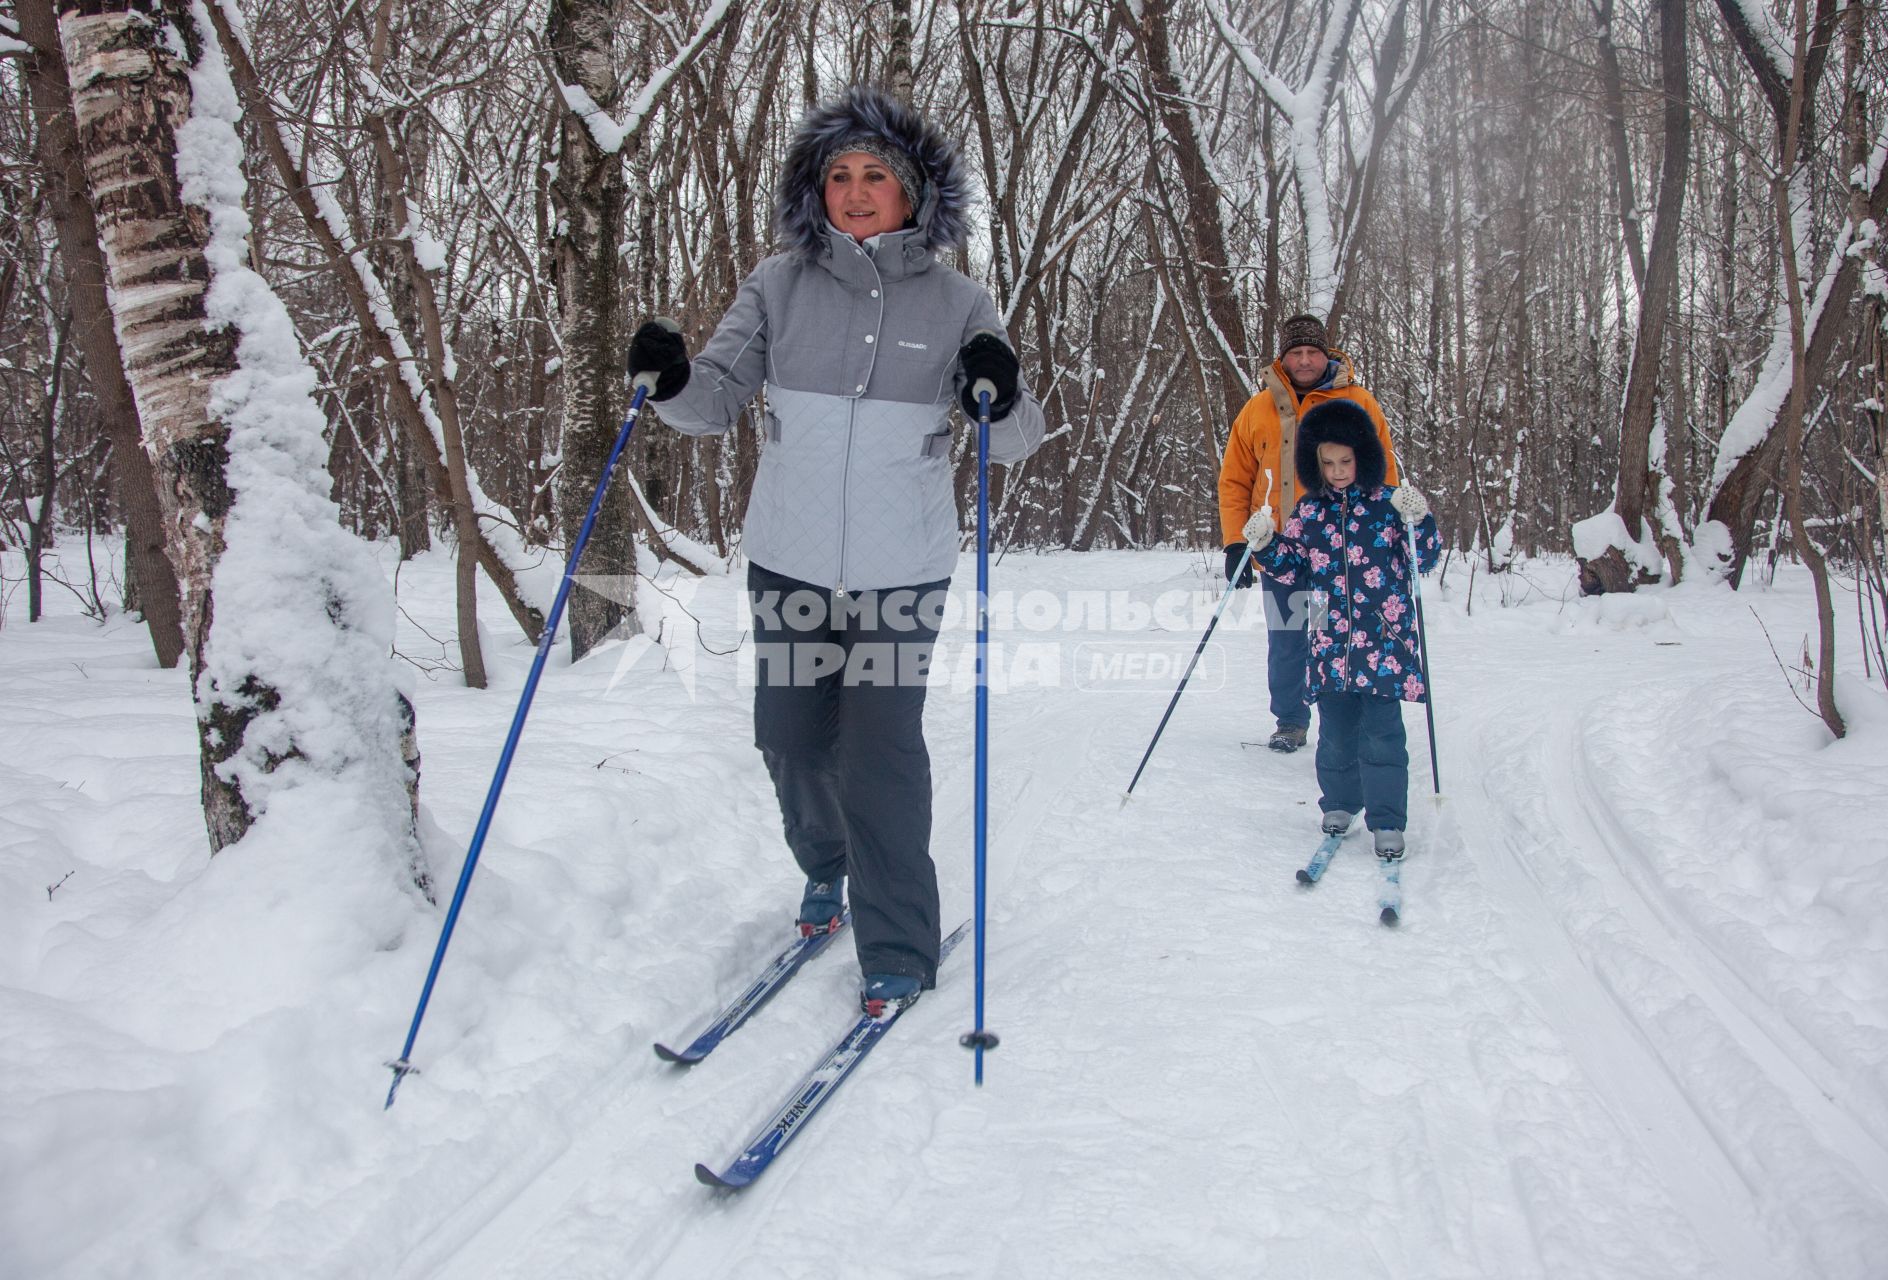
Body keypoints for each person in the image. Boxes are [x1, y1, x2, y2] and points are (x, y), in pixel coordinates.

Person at [626, 85, 1045, 1015]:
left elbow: (1011, 439)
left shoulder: (959, 299)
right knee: (791, 741)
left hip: (903, 571)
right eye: (839, 176)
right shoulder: (778, 284)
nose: (856, 192)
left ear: (914, 193)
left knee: (881, 753)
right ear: (815, 190)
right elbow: (713, 402)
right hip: (789, 558)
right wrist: (672, 376)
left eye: (876, 176)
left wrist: (1000, 386)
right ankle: (829, 866)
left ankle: (896, 938)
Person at [1242, 399, 1438, 860]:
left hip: (1384, 643)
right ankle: (1340, 804)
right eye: (1327, 463)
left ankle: (1387, 818)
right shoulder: (1310, 513)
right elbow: (1291, 569)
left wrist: (1420, 520)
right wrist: (1265, 544)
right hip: (1331, 643)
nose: (1337, 471)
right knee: (1335, 735)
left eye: (1345, 461)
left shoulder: (1387, 507)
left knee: (1382, 735)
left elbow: (1422, 558)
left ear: (1363, 456)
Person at [1217, 314, 1400, 752]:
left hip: (1346, 554)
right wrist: (1235, 541)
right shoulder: (1257, 409)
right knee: (1287, 641)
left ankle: (1346, 725)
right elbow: (1234, 480)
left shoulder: (1359, 402)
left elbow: (1384, 472)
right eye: (1295, 353)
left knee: (1345, 640)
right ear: (1282, 359)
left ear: (1326, 355)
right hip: (1280, 551)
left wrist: (1390, 534)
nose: (1304, 361)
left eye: (1312, 352)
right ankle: (1291, 720)